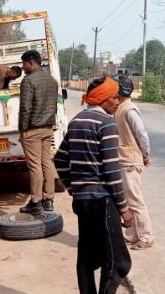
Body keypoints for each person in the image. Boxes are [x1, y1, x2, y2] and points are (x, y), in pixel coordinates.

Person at [54, 78, 133, 294]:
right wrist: (124, 209)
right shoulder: (106, 123)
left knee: (87, 257)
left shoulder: (76, 121)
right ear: (102, 98)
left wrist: (74, 189)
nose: (118, 101)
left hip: (83, 201)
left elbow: (59, 160)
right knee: (118, 261)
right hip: (102, 200)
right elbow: (112, 171)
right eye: (115, 97)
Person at [114, 77, 154, 250]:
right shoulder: (120, 108)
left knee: (136, 201)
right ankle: (132, 235)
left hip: (130, 160)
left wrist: (145, 154)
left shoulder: (129, 109)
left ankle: (146, 237)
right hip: (123, 159)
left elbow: (142, 134)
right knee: (128, 201)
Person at [18, 49, 58, 215]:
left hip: (32, 129)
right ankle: (48, 199)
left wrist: (22, 129)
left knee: (34, 166)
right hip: (47, 127)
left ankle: (36, 201)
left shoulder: (28, 81)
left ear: (31, 62)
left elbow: (26, 108)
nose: (23, 67)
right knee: (46, 162)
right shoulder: (52, 80)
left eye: (24, 63)